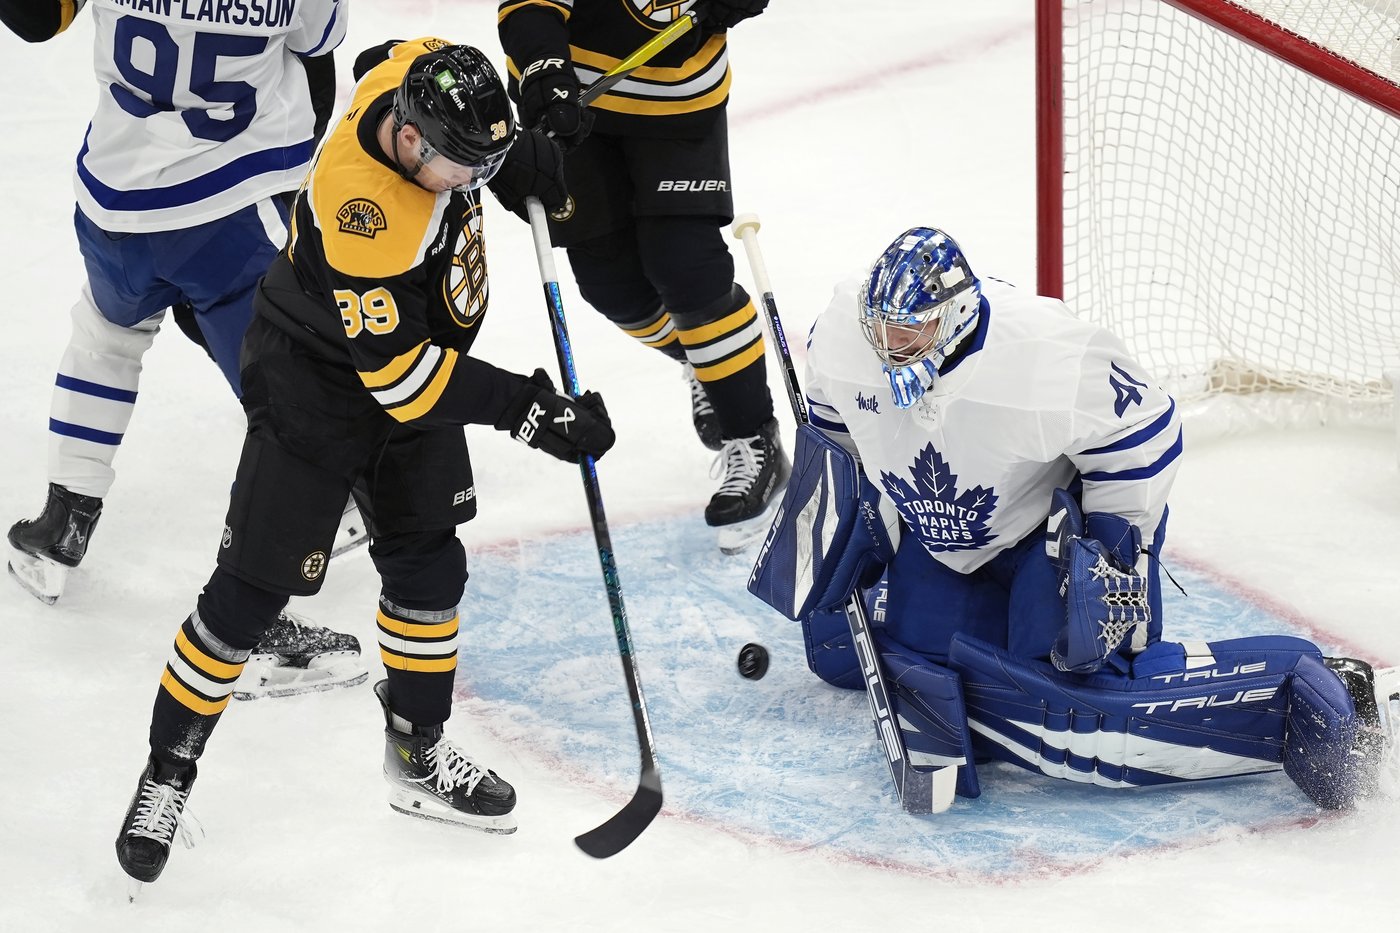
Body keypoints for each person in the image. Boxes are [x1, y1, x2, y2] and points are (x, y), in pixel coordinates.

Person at [113, 37, 608, 886]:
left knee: (429, 566)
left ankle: (416, 753)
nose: (472, 182)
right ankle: (167, 770)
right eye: (464, 167)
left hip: (414, 365)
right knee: (247, 595)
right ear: (410, 142)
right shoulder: (366, 213)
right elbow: (405, 384)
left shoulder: (410, 78)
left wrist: (516, 143)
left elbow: (383, 53)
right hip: (317, 386)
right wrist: (528, 409)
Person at [751, 225, 1392, 812]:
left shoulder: (1045, 357)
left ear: (956, 317)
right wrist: (842, 525)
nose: (888, 349)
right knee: (899, 671)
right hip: (946, 536)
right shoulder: (842, 335)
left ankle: (1308, 685)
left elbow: (1147, 432)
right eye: (880, 330)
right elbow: (836, 433)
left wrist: (1108, 554)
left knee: (1074, 711)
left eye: (908, 334)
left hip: (1047, 539)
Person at [1, 0, 368, 696]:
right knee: (290, 391)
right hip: (230, 206)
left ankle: (62, 523)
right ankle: (254, 621)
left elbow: (36, 19)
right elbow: (320, 45)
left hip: (115, 202)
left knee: (106, 336)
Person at [496, 0, 790, 553]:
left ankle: (753, 435)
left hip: (678, 98)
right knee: (610, 285)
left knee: (688, 267)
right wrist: (542, 67)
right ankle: (706, 363)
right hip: (572, 94)